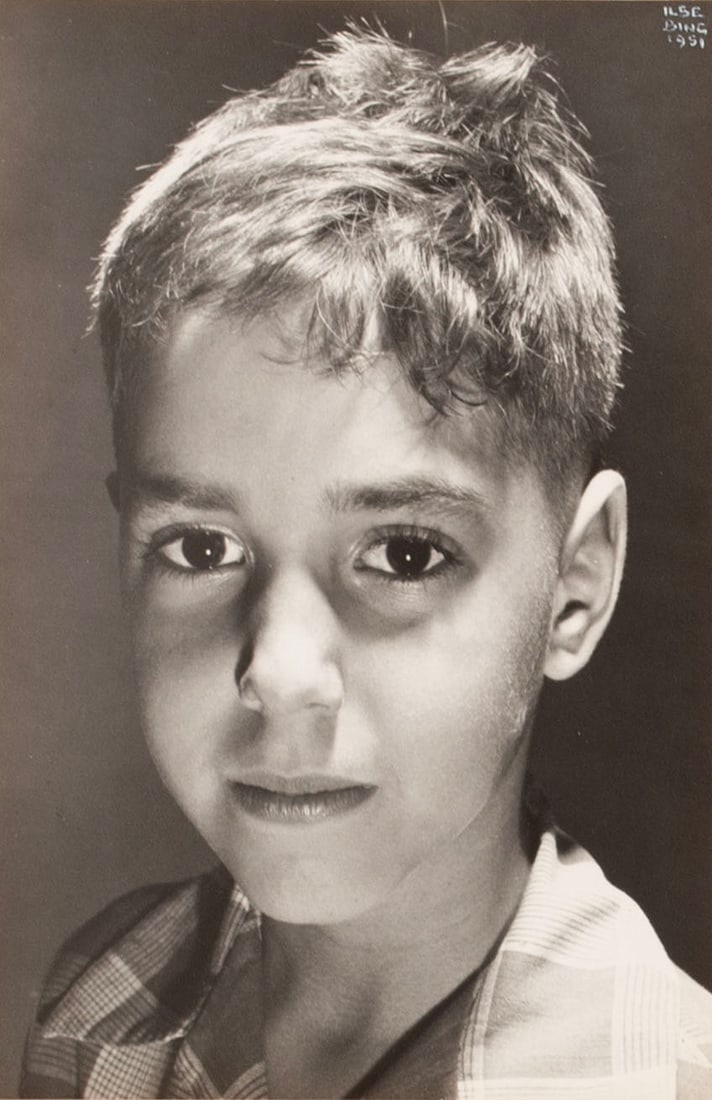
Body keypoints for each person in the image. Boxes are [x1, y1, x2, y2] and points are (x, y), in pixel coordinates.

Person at [20, 26, 712, 1099]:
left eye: (404, 552)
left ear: (575, 587)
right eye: (201, 546)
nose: (279, 671)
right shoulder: (100, 1012)